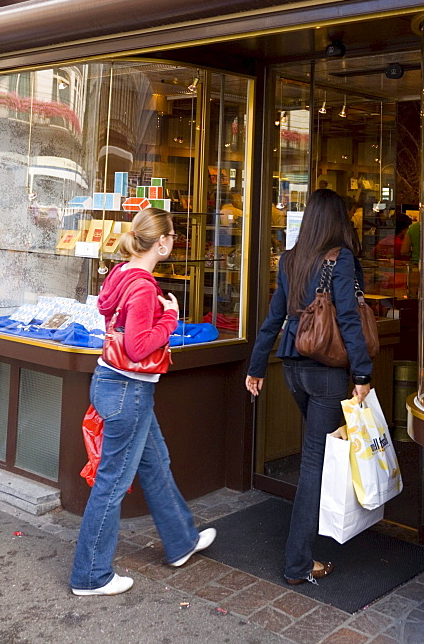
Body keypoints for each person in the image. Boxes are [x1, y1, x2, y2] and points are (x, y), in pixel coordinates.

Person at [70, 208, 216, 596]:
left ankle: (181, 540)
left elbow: (107, 314)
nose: (174, 242)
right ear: (163, 242)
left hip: (115, 384)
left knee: (155, 464)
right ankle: (90, 576)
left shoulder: (120, 274)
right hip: (127, 389)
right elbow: (137, 347)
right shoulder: (143, 286)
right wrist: (170, 317)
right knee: (112, 484)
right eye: (172, 237)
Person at [245, 188, 373, 586]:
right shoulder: (340, 259)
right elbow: (349, 320)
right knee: (315, 462)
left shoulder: (290, 258)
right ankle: (298, 563)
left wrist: (257, 365)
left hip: (291, 368)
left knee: (318, 453)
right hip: (326, 372)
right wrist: (363, 374)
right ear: (339, 220)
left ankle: (319, 533)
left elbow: (274, 316)